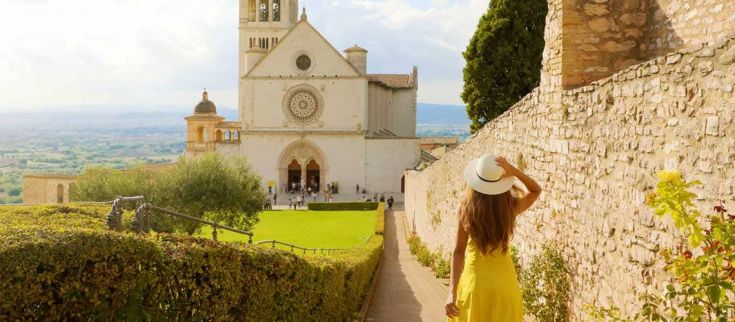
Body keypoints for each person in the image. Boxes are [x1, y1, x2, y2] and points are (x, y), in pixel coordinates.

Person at [445, 154, 541, 322]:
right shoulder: (509, 209)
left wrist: (451, 294)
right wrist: (513, 171)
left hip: (474, 287)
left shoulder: (465, 210)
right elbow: (535, 190)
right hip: (504, 287)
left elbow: (458, 251)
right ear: (501, 183)